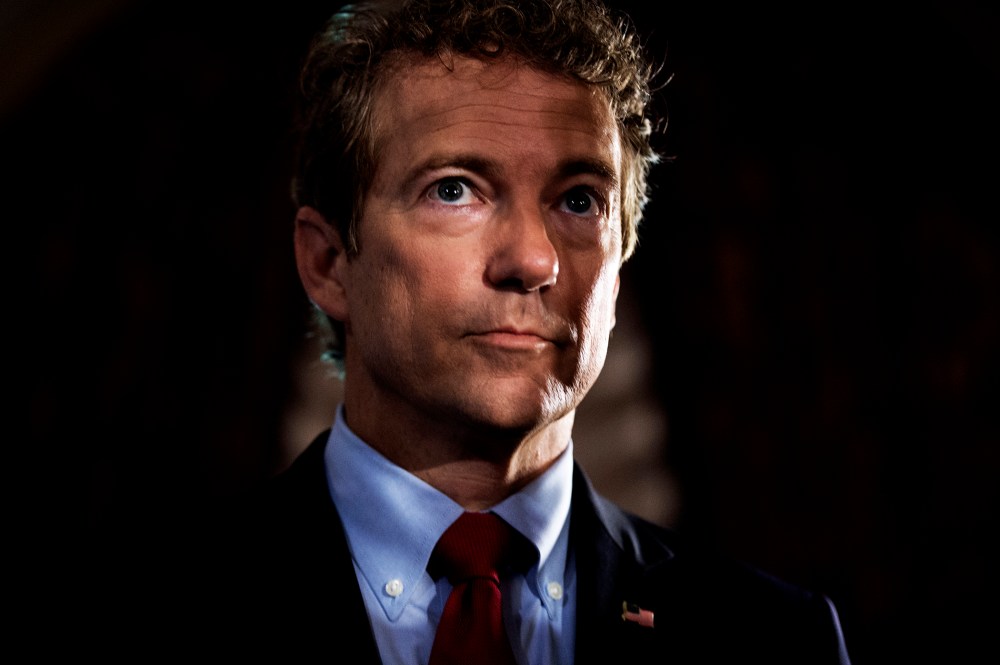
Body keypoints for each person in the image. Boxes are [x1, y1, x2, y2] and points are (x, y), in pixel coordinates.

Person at [190, 0, 853, 663]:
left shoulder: (777, 642)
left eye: (579, 200)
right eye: (455, 190)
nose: (534, 260)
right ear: (328, 262)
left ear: (617, 276)